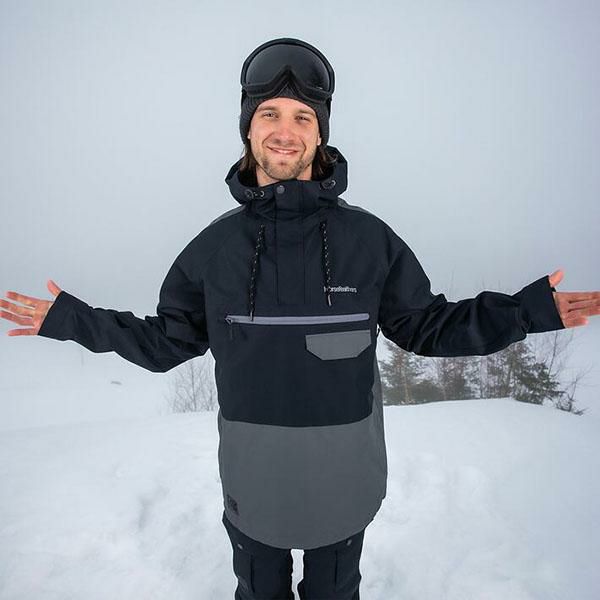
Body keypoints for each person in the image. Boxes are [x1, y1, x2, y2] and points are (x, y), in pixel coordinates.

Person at [1, 37, 599, 600]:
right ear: (248, 129)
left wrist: (527, 312)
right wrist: (72, 320)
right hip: (253, 479)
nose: (285, 131)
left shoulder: (369, 241)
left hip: (345, 479)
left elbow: (428, 326)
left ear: (320, 134)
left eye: (302, 118)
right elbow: (164, 343)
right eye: (270, 114)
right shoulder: (213, 250)